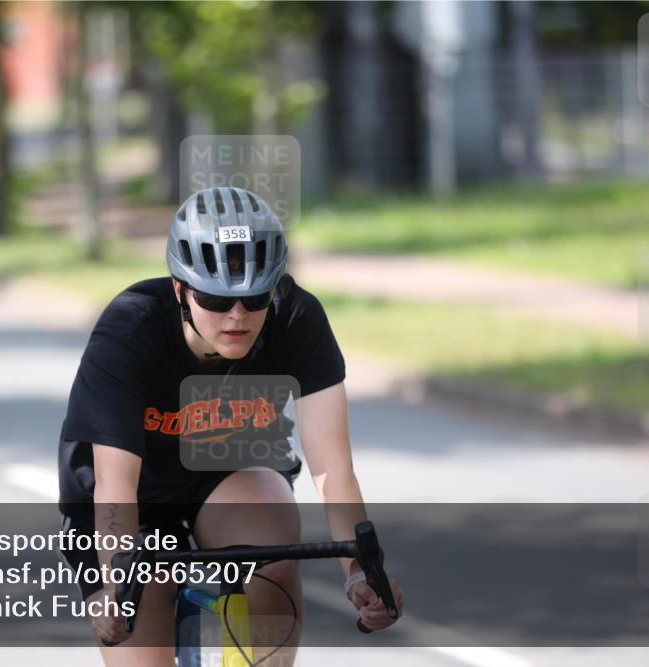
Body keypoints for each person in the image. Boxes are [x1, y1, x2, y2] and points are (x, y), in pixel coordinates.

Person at [58, 186, 403, 666]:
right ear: (180, 289)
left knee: (274, 553)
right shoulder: (129, 329)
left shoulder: (297, 318)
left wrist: (358, 572)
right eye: (216, 300)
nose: (237, 316)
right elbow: (115, 487)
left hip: (226, 470)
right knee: (136, 618)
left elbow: (334, 470)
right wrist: (116, 584)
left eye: (254, 297)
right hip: (132, 494)